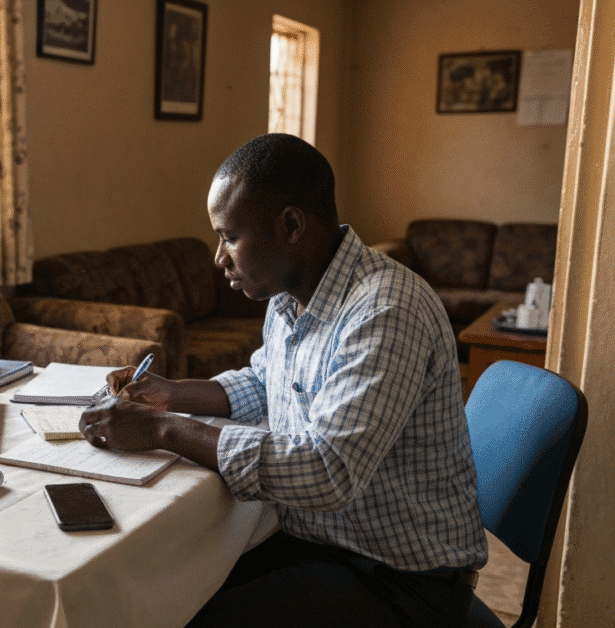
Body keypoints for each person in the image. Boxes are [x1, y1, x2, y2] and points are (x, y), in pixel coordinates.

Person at [80, 133, 488, 627]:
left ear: (291, 225)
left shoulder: (386, 310)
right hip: (322, 545)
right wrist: (171, 393)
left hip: (401, 581)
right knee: (159, 587)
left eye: (230, 237)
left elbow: (326, 472)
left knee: (190, 615)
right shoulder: (291, 294)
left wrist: (166, 430)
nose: (219, 257)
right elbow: (264, 383)